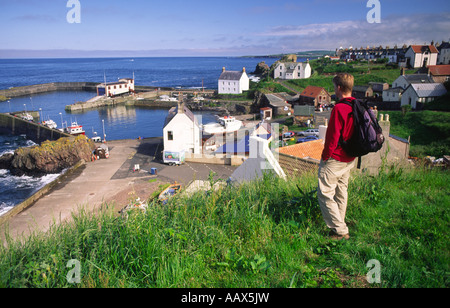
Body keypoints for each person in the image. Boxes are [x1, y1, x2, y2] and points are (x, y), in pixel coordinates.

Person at [318, 73, 356, 240]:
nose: (333, 90)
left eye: (334, 87)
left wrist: (325, 157)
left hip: (336, 158)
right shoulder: (357, 105)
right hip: (350, 157)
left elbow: (332, 138)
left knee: (325, 192)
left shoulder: (340, 108)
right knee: (341, 191)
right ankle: (339, 224)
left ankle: (340, 230)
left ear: (339, 87)